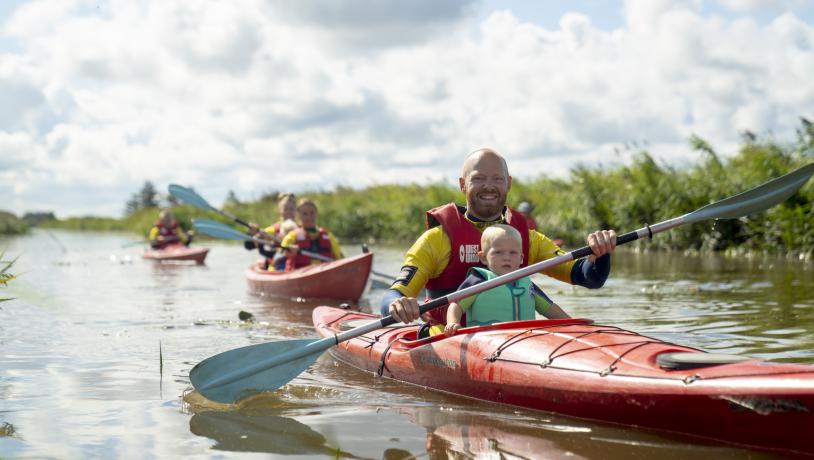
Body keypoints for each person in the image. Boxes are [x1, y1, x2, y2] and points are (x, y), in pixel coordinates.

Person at [381, 148, 616, 330]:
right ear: (463, 184)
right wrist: (397, 305)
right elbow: (394, 295)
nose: (489, 186)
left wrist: (600, 255)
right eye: (479, 179)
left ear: (508, 183)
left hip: (516, 343)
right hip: (450, 341)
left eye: (497, 179)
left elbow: (589, 278)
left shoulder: (526, 238)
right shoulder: (436, 240)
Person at [443, 224, 570, 337]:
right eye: (498, 252)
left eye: (513, 253)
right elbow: (456, 305)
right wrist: (453, 323)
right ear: (483, 258)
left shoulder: (527, 284)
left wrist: (571, 324)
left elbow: (550, 308)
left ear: (521, 258)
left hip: (526, 340)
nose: (507, 258)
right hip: (486, 341)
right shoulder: (478, 280)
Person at [280, 198, 344, 271]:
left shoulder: (328, 236)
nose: (309, 217)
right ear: (298, 216)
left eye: (312, 213)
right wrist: (287, 252)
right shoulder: (292, 236)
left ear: (316, 214)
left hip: (325, 272)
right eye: (305, 214)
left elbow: (340, 258)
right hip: (300, 273)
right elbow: (278, 256)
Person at [245, 193, 297, 271]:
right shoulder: (272, 230)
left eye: (292, 209)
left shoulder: (302, 228)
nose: (289, 212)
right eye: (285, 209)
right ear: (279, 211)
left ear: (296, 210)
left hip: (298, 267)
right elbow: (249, 246)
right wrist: (251, 233)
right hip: (277, 268)